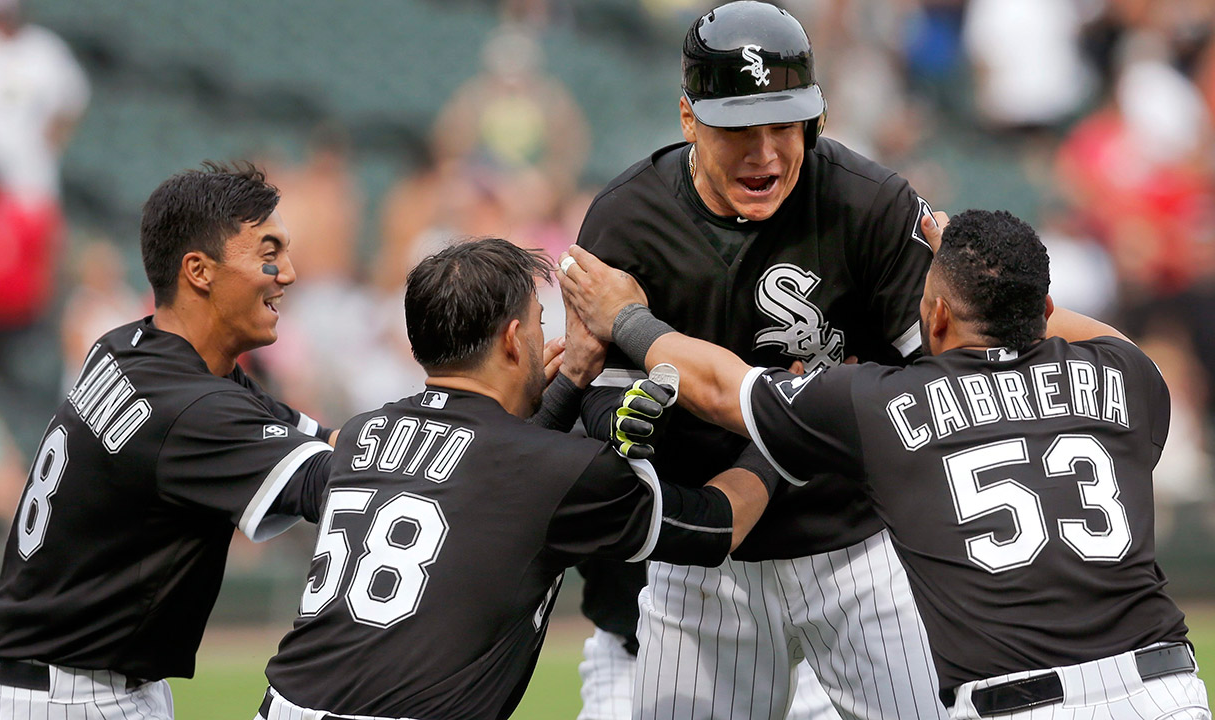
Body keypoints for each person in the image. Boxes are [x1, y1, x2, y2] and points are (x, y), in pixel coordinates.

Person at [559, 208, 1210, 720]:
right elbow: (1110, 342)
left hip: (1014, 705)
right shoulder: (1123, 376)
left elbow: (720, 390)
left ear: (935, 315)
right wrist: (997, 280)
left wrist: (628, 318)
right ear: (1044, 310)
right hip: (1165, 693)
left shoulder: (882, 402)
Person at [572, 2, 943, 719]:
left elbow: (935, 383)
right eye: (740, 128)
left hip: (855, 550)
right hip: (703, 567)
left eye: (786, 124)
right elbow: (598, 394)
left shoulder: (869, 205)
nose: (766, 152)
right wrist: (624, 419)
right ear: (688, 119)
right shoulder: (627, 218)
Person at [254, 238, 778, 720]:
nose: (541, 336)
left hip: (282, 702)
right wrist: (780, 430)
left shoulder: (361, 433)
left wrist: (571, 382)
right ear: (512, 340)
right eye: (536, 322)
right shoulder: (553, 467)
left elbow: (482, 471)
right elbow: (718, 525)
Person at [0, 163, 340, 720]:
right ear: (199, 271)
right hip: (71, 694)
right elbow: (342, 479)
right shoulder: (189, 408)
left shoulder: (130, 348)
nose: (288, 272)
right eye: (268, 252)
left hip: (35, 677)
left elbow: (325, 441)